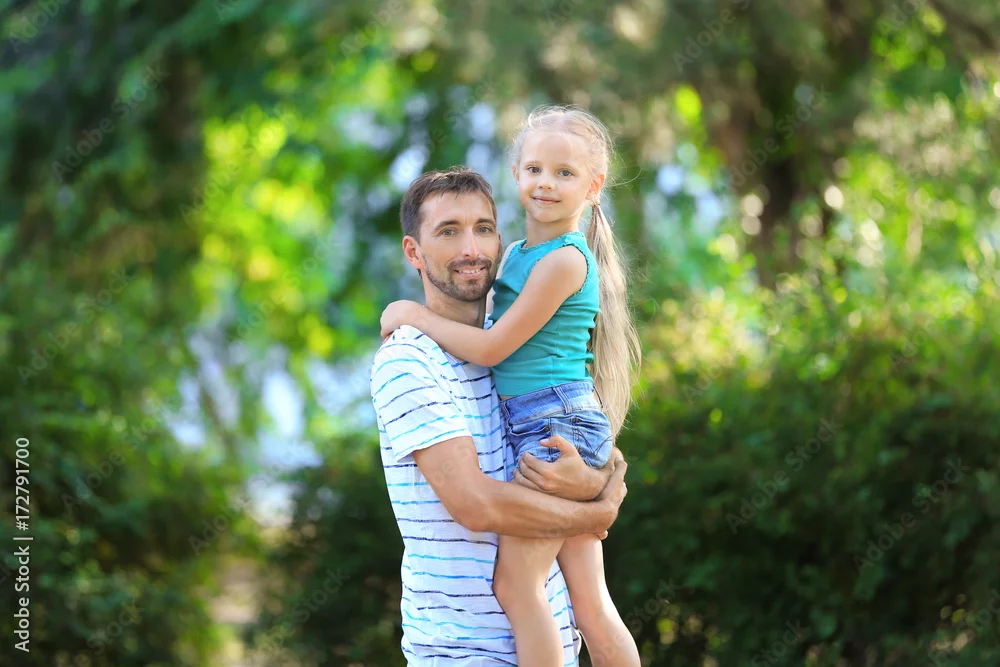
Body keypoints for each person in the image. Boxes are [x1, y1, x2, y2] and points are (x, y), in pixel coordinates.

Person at [380, 106, 642, 666]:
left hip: (556, 422)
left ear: (593, 186)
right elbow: (475, 504)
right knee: (583, 601)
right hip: (463, 651)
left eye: (482, 229)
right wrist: (595, 503)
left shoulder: (559, 263)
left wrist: (600, 477)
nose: (471, 248)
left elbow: (498, 352)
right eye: (448, 231)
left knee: (548, 593)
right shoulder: (411, 360)